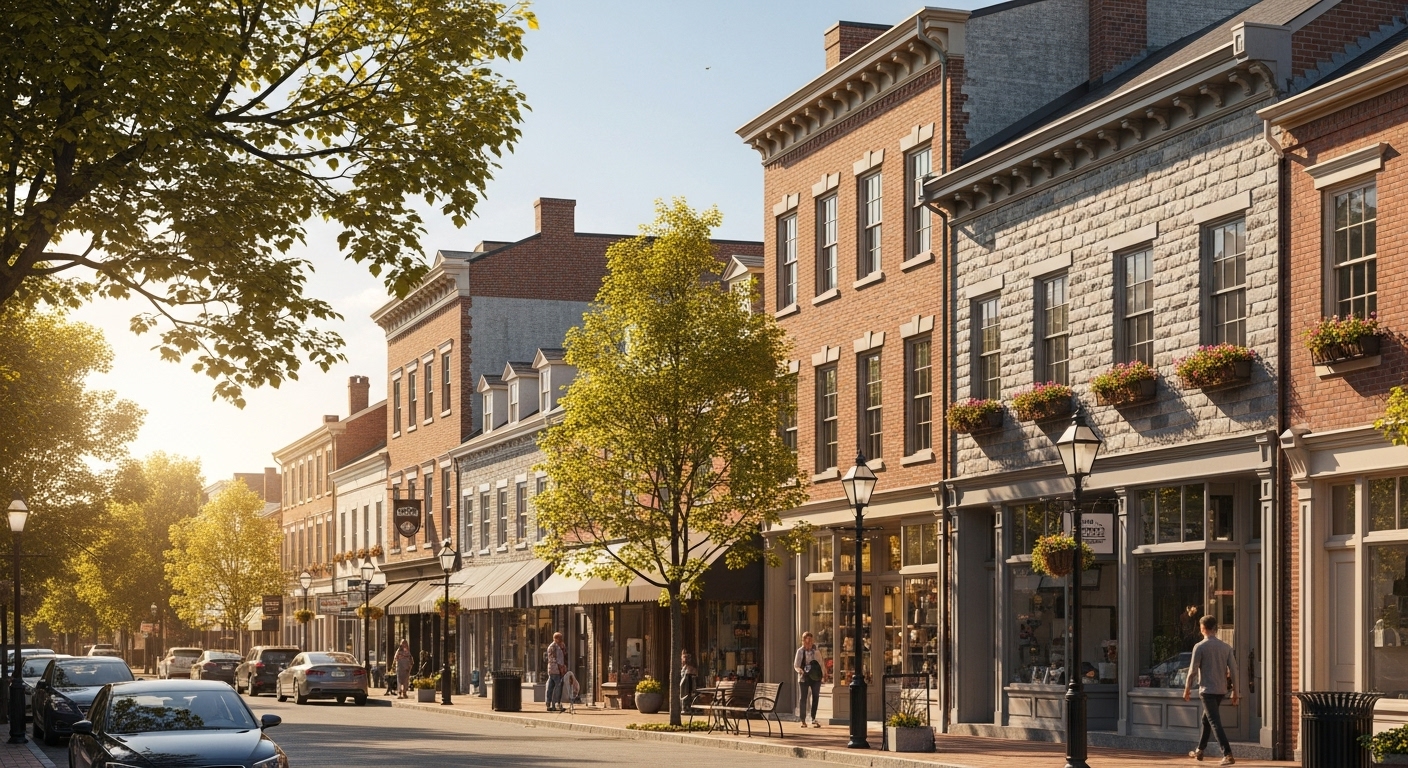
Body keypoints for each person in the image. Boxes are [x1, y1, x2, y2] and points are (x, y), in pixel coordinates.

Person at [1183, 615, 1238, 766]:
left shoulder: (1200, 646)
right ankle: (1200, 750)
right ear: (1216, 629)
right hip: (1221, 690)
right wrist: (1236, 692)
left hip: (1207, 690)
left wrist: (1187, 688)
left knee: (1214, 721)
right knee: (1206, 719)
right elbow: (1234, 671)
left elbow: (1193, 671)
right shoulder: (1226, 647)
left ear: (1202, 629)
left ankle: (1227, 754)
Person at [793, 631, 822, 728]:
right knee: (803, 698)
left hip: (815, 677)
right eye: (807, 641)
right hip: (804, 677)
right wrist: (800, 671)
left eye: (811, 641)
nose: (809, 643)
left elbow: (820, 663)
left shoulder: (816, 651)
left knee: (815, 696)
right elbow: (796, 665)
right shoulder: (800, 651)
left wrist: (822, 674)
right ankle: (803, 720)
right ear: (803, 641)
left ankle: (813, 718)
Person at [545, 632, 567, 712]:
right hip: (555, 670)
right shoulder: (553, 647)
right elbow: (555, 659)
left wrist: (563, 648)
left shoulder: (559, 646)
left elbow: (563, 656)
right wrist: (561, 668)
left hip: (555, 669)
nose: (561, 640)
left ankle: (549, 703)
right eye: (560, 638)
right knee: (558, 686)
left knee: (551, 686)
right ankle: (556, 703)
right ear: (556, 638)